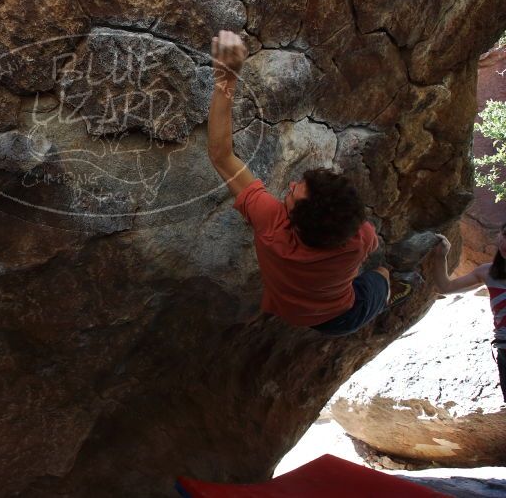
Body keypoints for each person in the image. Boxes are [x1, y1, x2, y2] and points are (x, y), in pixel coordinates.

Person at [207, 29, 411, 335]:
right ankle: (386, 291)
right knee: (380, 272)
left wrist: (226, 78)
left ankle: (381, 294)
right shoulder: (361, 238)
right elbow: (362, 243)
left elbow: (221, 155)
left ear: (295, 224)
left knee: (375, 278)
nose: (288, 187)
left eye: (290, 198)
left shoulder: (271, 226)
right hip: (339, 315)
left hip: (306, 312)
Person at [432, 224, 506, 402]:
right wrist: (441, 256)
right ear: (498, 236)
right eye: (505, 235)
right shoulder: (487, 273)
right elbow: (446, 286)